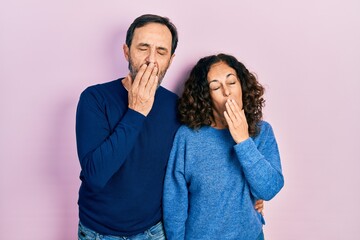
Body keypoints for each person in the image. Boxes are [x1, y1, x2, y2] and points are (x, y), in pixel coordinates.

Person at [76, 14, 264, 239]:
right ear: (126, 51)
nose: (151, 60)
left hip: (155, 232)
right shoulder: (95, 99)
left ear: (171, 60)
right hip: (99, 232)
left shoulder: (176, 107)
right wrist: (136, 112)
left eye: (161, 52)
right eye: (143, 48)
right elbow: (95, 176)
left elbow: (207, 158)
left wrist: (251, 195)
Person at [163, 53, 284, 240]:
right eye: (215, 87)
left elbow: (269, 190)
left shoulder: (262, 131)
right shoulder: (188, 137)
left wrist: (243, 141)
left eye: (232, 82)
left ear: (242, 86)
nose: (227, 92)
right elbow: (175, 202)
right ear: (206, 97)